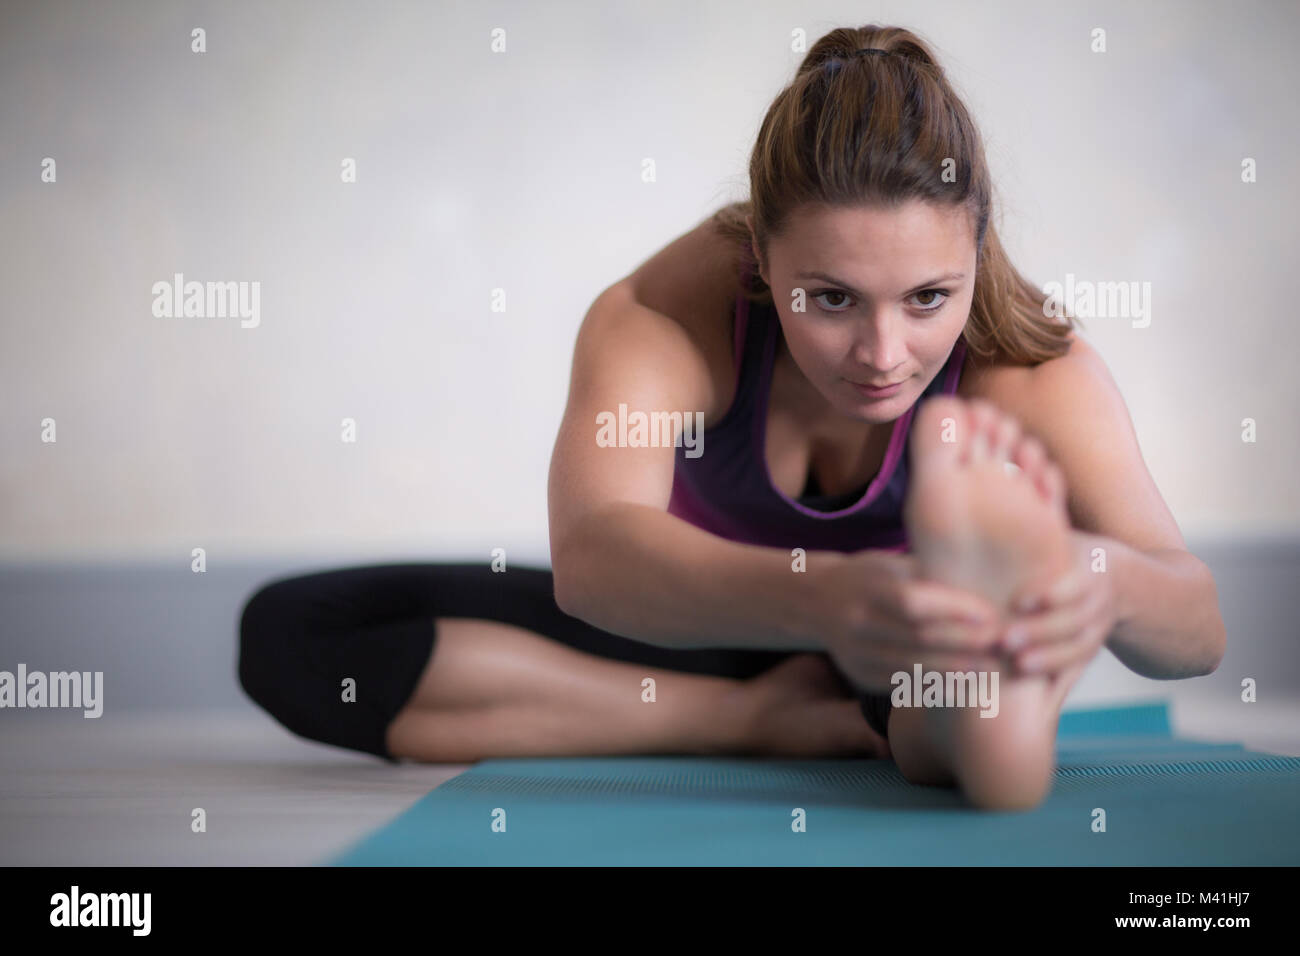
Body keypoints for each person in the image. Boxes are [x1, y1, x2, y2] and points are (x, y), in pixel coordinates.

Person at [238, 24, 1225, 811]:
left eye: (929, 297)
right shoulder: (667, 317)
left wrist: (1090, 578)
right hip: (703, 628)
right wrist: (822, 604)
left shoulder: (1029, 371)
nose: (884, 353)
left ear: (977, 247)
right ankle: (751, 717)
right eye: (830, 299)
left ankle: (976, 686)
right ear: (761, 252)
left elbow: (1197, 626)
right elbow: (593, 557)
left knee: (935, 673)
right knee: (291, 635)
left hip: (909, 643)